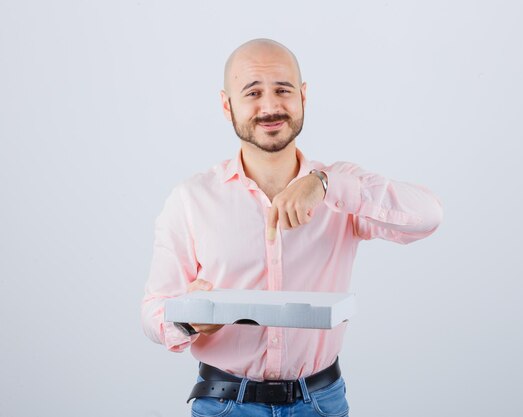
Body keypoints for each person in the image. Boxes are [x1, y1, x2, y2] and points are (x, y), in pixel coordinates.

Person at [141, 38, 443, 417]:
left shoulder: (341, 188)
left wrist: (326, 184)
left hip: (320, 402)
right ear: (226, 105)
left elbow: (428, 215)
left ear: (303, 96)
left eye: (283, 90)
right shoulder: (192, 198)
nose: (270, 107)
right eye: (252, 92)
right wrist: (188, 320)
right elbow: (153, 312)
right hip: (225, 403)